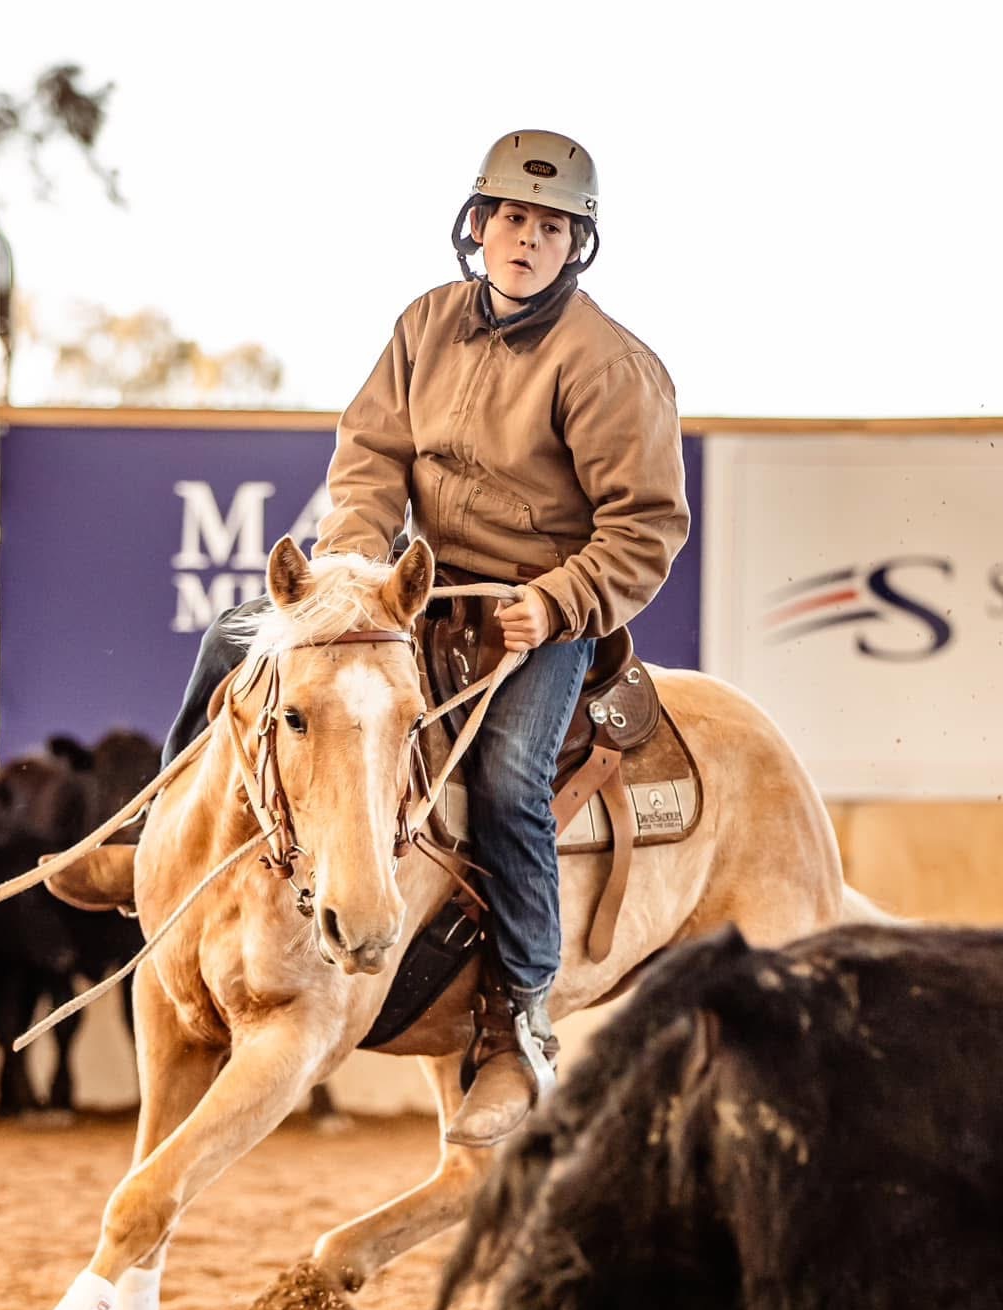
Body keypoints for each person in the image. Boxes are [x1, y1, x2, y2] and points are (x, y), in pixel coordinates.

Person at [160, 129, 688, 1146]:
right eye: (512, 218)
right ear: (477, 224)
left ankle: (518, 1022)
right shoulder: (424, 323)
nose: (527, 240)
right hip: (407, 595)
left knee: (508, 779)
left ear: (576, 245)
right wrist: (349, 575)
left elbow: (646, 527)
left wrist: (559, 601)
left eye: (552, 227)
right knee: (236, 644)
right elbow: (368, 459)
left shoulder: (611, 365)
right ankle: (150, 844)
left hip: (537, 615)